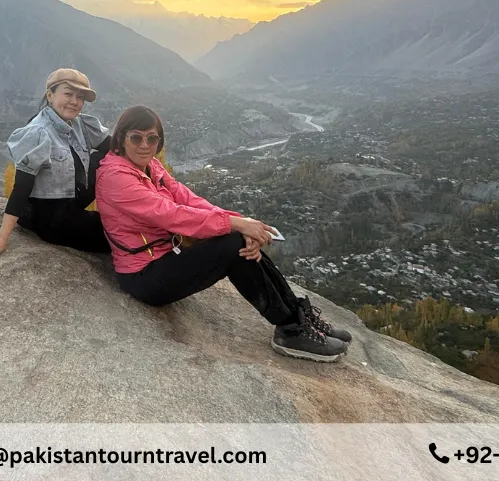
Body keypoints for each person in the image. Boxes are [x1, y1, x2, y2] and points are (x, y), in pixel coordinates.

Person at [94, 105, 352, 362]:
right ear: (121, 138)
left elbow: (188, 199)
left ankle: (298, 316)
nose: (145, 145)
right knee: (232, 245)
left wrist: (239, 222)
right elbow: (171, 214)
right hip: (144, 277)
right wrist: (234, 226)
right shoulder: (116, 177)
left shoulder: (150, 167)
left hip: (165, 258)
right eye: (136, 137)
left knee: (239, 240)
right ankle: (291, 330)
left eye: (152, 138)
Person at [0, 68, 112, 258]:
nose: (75, 102)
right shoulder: (39, 133)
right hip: (50, 218)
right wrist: (1, 238)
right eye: (68, 94)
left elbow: (115, 147)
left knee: (106, 159)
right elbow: (21, 188)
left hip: (71, 198)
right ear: (50, 95)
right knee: (119, 232)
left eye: (80, 97)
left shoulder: (80, 124)